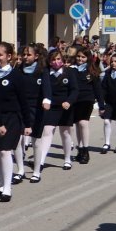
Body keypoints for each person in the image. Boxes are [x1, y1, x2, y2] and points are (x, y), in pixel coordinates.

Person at [0, 42, 31, 202]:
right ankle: (2, 184)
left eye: (0, 54)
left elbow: (24, 101)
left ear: (9, 57)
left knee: (4, 151)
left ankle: (7, 188)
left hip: (11, 118)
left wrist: (28, 124)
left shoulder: (17, 76)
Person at [31, 49, 78, 182]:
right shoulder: (46, 72)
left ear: (62, 60)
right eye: (53, 60)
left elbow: (75, 90)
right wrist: (46, 100)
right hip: (51, 107)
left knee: (65, 133)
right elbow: (44, 89)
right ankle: (41, 161)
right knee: (47, 132)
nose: (56, 62)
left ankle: (67, 158)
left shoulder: (69, 72)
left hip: (65, 106)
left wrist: (69, 101)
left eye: (58, 59)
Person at [13, 45, 50, 184]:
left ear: (36, 56)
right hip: (20, 108)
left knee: (36, 141)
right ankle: (20, 170)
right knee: (16, 140)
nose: (25, 57)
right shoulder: (18, 70)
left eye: (28, 55)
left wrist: (47, 99)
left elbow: (47, 87)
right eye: (24, 54)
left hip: (37, 108)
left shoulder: (42, 71)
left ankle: (36, 171)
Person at [71, 48, 104, 164]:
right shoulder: (71, 70)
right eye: (78, 56)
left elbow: (98, 89)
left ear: (88, 58)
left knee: (83, 123)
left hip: (87, 100)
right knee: (77, 125)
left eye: (83, 57)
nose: (80, 59)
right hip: (74, 101)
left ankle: (86, 150)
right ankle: (80, 149)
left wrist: (101, 105)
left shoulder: (92, 71)